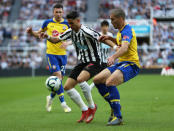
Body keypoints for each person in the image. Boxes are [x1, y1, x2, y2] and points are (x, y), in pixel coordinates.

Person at [40, 11, 116, 123]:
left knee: (81, 79)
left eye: (72, 23)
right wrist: (47, 36)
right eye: (69, 23)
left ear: (78, 21)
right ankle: (84, 110)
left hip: (95, 61)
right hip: (82, 63)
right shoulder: (70, 31)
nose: (70, 25)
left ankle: (92, 107)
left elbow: (102, 38)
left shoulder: (86, 31)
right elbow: (56, 40)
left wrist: (115, 46)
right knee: (67, 87)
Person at [93, 8, 140, 126]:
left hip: (131, 64)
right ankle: (116, 106)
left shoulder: (127, 30)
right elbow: (120, 44)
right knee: (97, 80)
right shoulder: (120, 31)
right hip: (122, 63)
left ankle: (118, 117)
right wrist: (110, 38)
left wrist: (113, 57)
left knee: (109, 82)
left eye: (112, 20)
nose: (111, 22)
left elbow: (124, 48)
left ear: (120, 19)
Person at [26, 4, 71, 113]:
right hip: (51, 54)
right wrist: (32, 32)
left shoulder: (67, 24)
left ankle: (50, 98)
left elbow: (73, 36)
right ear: (53, 12)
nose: (59, 14)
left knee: (59, 81)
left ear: (63, 12)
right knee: (58, 77)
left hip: (63, 55)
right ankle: (64, 104)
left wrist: (67, 43)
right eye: (57, 12)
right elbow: (39, 34)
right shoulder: (47, 23)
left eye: (60, 12)